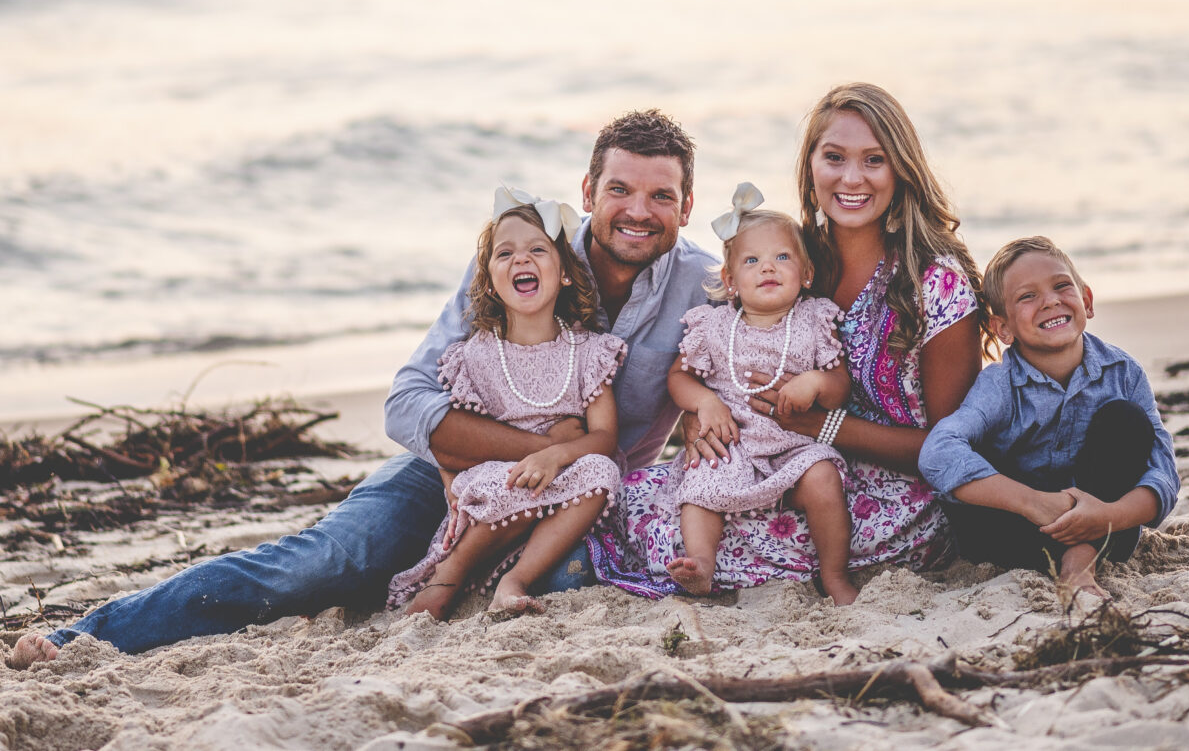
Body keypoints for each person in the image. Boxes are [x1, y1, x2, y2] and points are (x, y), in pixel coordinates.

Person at [9, 109, 712, 666]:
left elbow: (771, 362)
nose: (637, 209)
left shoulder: (705, 288)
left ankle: (439, 578)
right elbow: (407, 403)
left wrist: (571, 459)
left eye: (661, 195)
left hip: (574, 501)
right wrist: (540, 445)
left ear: (686, 205)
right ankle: (87, 635)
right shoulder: (525, 256)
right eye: (619, 188)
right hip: (444, 476)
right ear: (589, 191)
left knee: (570, 583)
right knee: (324, 563)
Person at [590, 82, 986, 597]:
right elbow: (721, 360)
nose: (852, 177)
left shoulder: (934, 282)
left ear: (900, 171)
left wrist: (822, 426)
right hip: (767, 455)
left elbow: (950, 449)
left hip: (888, 491)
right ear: (811, 168)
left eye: (874, 160)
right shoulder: (792, 261)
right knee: (637, 497)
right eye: (834, 157)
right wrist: (703, 412)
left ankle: (827, 573)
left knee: (685, 534)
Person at [386, 190, 626, 618]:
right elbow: (455, 438)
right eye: (505, 253)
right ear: (489, 282)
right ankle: (449, 577)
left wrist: (556, 456)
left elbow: (604, 438)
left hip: (564, 489)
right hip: (497, 490)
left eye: (537, 249)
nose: (521, 260)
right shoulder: (474, 357)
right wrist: (449, 479)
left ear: (566, 274)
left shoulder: (589, 352)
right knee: (503, 482)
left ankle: (515, 580)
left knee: (602, 471)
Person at [918, 236, 1179, 601]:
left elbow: (1164, 472)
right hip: (1019, 531)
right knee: (971, 486)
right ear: (1003, 328)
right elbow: (937, 451)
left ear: (1086, 300)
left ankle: (1079, 560)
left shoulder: (1123, 372)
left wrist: (1108, 516)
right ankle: (1075, 557)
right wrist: (1032, 503)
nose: (1051, 300)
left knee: (1127, 421)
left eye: (1061, 286)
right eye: (1027, 296)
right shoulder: (998, 384)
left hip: (1106, 524)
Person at [664, 183, 856, 604]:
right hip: (733, 445)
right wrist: (705, 401)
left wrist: (816, 383)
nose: (768, 268)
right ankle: (701, 564)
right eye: (752, 261)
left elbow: (840, 386)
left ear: (806, 274)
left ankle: (836, 576)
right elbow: (679, 377)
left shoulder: (814, 319)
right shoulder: (714, 327)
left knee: (823, 478)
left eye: (782, 257)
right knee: (699, 487)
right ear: (730, 281)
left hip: (794, 447)